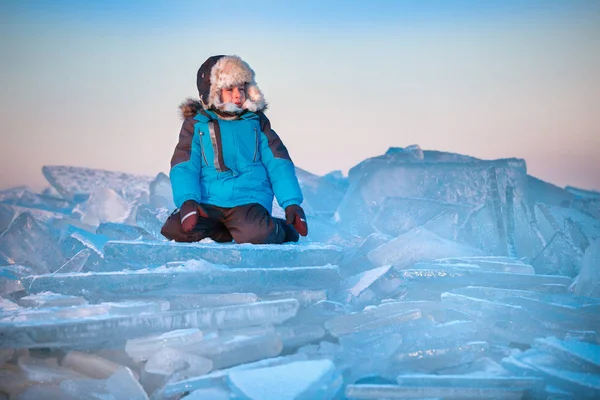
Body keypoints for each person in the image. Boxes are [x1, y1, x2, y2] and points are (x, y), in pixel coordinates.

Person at [161, 55, 308, 244]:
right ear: (212, 92)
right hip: (208, 200)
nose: (238, 95)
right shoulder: (196, 125)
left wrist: (291, 203)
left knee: (257, 235)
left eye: (241, 88)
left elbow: (278, 163)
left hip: (247, 198)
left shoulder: (256, 122)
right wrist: (188, 200)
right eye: (230, 89)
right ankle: (225, 230)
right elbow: (184, 165)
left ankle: (282, 229)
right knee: (175, 230)